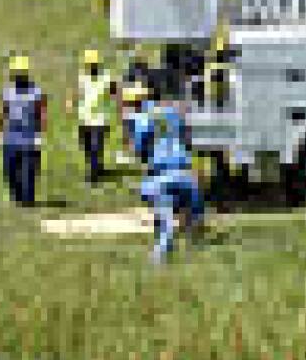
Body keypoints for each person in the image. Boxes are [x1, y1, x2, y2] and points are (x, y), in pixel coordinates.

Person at [124, 82, 207, 264]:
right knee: (192, 212)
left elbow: (139, 147)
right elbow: (187, 136)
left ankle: (160, 253)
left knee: (161, 212)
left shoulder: (141, 118)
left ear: (135, 102)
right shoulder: (171, 112)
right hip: (186, 177)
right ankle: (194, 242)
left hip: (160, 178)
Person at [0, 55, 46, 206]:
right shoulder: (8, 92)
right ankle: (16, 194)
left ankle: (28, 198)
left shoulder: (35, 92)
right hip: (11, 136)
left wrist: (39, 134)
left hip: (29, 136)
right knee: (10, 169)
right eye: (16, 73)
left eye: (21, 73)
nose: (18, 77)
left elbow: (41, 113)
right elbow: (2, 111)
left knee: (28, 169)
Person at [67, 49, 114, 184]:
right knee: (87, 146)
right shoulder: (83, 77)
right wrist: (71, 102)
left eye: (93, 64)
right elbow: (76, 91)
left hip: (100, 119)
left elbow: (114, 91)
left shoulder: (106, 77)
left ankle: (93, 175)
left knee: (95, 146)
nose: (91, 67)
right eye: (89, 64)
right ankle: (96, 167)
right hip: (85, 118)